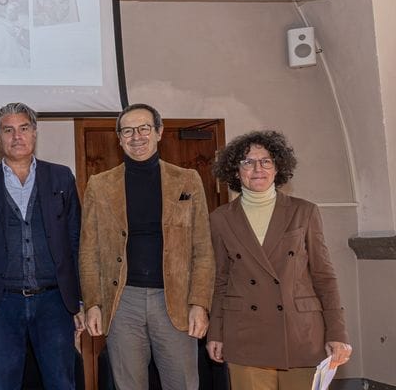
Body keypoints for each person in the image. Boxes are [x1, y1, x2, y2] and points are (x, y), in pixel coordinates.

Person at [80, 103, 213, 390]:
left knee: (183, 384)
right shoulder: (99, 186)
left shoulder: (188, 180)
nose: (136, 137)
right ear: (119, 138)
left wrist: (199, 303)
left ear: (159, 132)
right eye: (128, 130)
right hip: (122, 302)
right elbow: (89, 252)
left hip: (175, 301)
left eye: (144, 128)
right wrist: (92, 303)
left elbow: (202, 248)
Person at [207, 130, 352, 388]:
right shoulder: (220, 218)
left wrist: (337, 332)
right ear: (235, 171)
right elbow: (221, 280)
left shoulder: (304, 211)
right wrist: (215, 333)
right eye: (248, 162)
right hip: (245, 334)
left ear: (277, 167)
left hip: (300, 333)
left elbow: (324, 276)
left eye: (266, 161)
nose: (257, 169)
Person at [0, 102, 83, 389]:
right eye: (9, 130)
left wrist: (80, 299)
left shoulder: (61, 177)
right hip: (1, 303)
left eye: (24, 128)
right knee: (3, 384)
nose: (17, 136)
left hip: (55, 301)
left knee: (61, 383)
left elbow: (76, 240)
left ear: (35, 133)